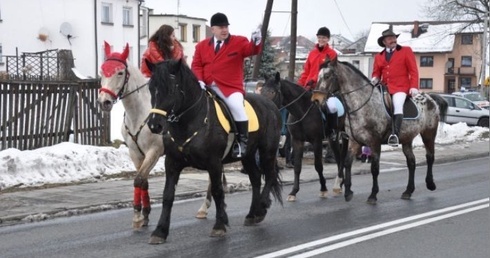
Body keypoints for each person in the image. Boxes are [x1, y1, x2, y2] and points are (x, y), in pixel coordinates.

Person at [191, 12, 262, 158]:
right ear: (213, 29)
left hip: (229, 87)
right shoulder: (201, 46)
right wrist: (199, 80)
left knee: (237, 107)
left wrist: (256, 41)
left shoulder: (239, 41)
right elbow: (196, 65)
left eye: (226, 27)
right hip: (207, 86)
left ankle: (242, 143)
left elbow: (252, 50)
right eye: (221, 27)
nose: (224, 30)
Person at [371, 28, 419, 146]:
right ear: (384, 42)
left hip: (401, 87)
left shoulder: (406, 51)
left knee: (397, 105)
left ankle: (395, 135)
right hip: (384, 87)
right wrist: (375, 78)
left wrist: (414, 86)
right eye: (389, 38)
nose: (393, 40)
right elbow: (376, 72)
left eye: (394, 38)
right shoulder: (379, 56)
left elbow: (413, 70)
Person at [298, 26, 339, 141]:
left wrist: (315, 81)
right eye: (319, 37)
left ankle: (332, 131)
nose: (321, 40)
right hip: (308, 87)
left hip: (324, 89)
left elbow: (330, 73)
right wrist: (300, 84)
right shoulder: (312, 53)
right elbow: (306, 71)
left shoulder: (332, 54)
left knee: (332, 107)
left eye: (324, 38)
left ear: (328, 39)